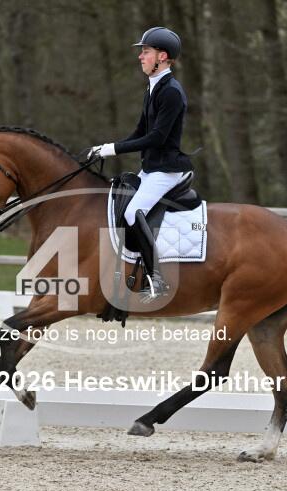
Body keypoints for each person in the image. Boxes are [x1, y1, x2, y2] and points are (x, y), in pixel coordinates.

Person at [89, 26, 193, 300]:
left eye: (145, 52)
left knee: (133, 212)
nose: (140, 57)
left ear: (162, 56)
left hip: (166, 170)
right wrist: (106, 148)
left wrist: (113, 149)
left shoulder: (171, 92)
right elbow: (140, 132)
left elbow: (157, 138)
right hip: (152, 168)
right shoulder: (153, 87)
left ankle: (156, 278)